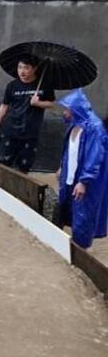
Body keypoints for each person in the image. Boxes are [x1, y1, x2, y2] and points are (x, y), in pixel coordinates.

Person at [0, 55, 55, 173]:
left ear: (34, 69)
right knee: (2, 163)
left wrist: (38, 103)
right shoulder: (12, 86)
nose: (22, 71)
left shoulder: (44, 85)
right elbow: (4, 105)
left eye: (26, 68)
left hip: (30, 133)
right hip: (10, 130)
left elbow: (51, 104)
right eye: (20, 67)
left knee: (23, 167)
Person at [57, 89, 107, 249]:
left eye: (66, 109)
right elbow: (69, 152)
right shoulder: (74, 126)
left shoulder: (94, 128)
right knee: (68, 210)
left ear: (75, 109)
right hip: (70, 177)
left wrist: (84, 182)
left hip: (85, 181)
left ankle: (80, 250)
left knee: (84, 214)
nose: (64, 112)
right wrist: (61, 168)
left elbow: (94, 158)